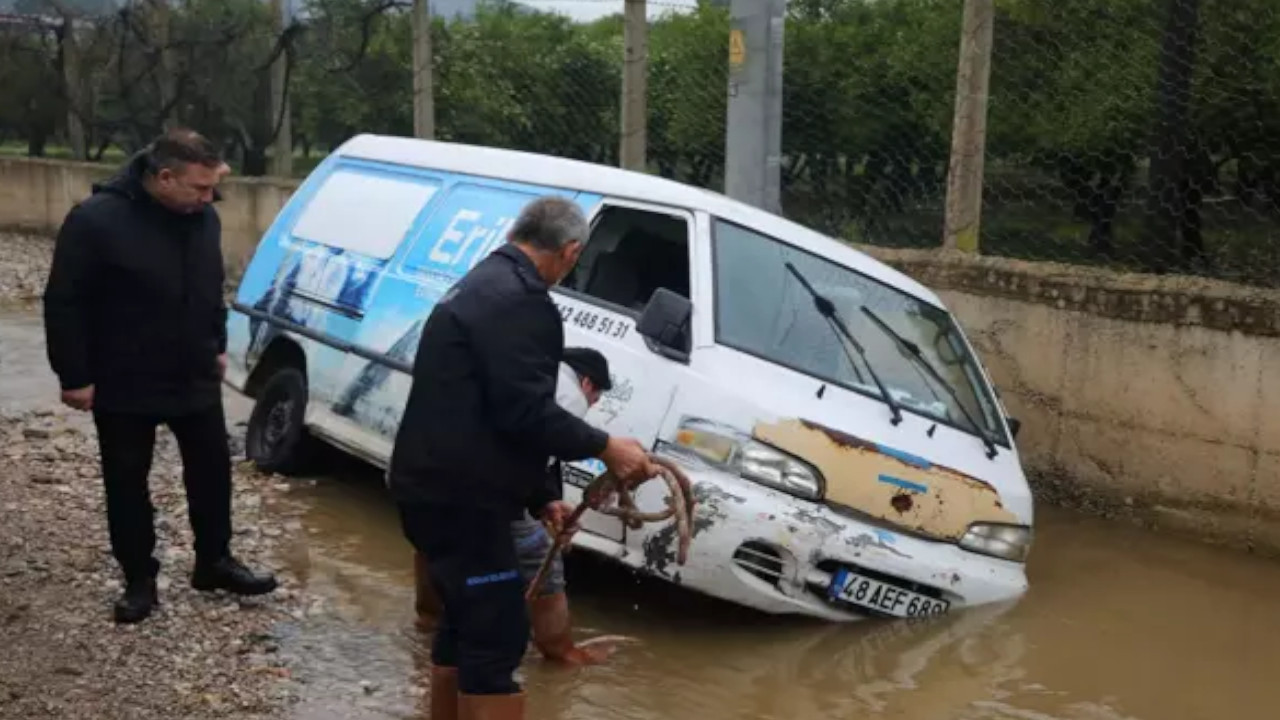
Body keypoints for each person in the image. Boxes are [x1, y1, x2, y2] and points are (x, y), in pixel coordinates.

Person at [388, 196, 656, 720]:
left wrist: (539, 497)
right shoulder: (523, 301)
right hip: (466, 501)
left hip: (427, 487)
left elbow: (487, 407)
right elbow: (526, 412)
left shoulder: (478, 281)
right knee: (497, 635)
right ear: (570, 252)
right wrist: (606, 446)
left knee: (461, 625)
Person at [42, 128, 278, 625]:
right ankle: (138, 578)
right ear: (164, 177)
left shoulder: (202, 217)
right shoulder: (96, 221)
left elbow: (210, 285)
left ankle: (213, 561)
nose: (210, 197)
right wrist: (74, 375)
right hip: (122, 377)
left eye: (212, 187)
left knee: (212, 472)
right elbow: (65, 302)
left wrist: (217, 346)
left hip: (192, 372)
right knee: (128, 481)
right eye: (199, 187)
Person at [412, 346, 620, 667]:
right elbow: (535, 452)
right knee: (542, 561)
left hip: (431, 466)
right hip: (485, 486)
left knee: (436, 545)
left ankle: (427, 621)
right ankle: (562, 652)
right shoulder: (571, 395)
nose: (592, 405)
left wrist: (546, 501)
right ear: (589, 384)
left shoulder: (527, 369)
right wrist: (607, 449)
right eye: (596, 398)